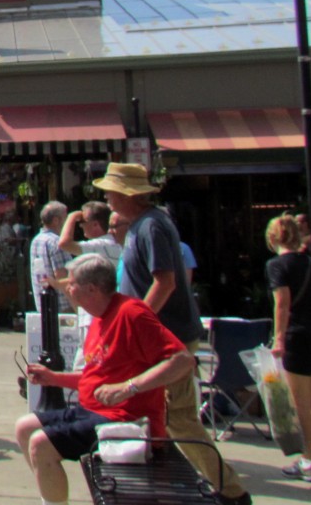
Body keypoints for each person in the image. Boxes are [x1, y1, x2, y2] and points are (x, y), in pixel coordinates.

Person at [93, 162, 250, 505]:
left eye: (110, 190)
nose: (105, 196)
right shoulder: (144, 225)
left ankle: (231, 491)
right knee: (165, 414)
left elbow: (165, 282)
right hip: (163, 336)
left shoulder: (151, 227)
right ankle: (211, 483)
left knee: (179, 419)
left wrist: (139, 322)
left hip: (168, 337)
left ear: (126, 194)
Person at [15, 254, 194, 505]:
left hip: (127, 420)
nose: (67, 286)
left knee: (40, 444)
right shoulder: (98, 317)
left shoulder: (131, 313)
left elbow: (183, 361)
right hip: (94, 411)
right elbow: (96, 378)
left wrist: (129, 387)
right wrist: (54, 378)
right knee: (25, 427)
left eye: (72, 282)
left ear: (91, 289)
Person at [265, 214, 311, 482]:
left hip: (297, 337)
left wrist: (278, 338)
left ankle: (306, 462)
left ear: (273, 238)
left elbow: (281, 303)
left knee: (300, 403)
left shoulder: (276, 266)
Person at [30, 200, 72, 313]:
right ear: (56, 220)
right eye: (66, 218)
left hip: (43, 304)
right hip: (62, 306)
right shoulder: (56, 242)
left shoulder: (36, 240)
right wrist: (75, 304)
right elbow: (62, 275)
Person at [58, 201, 122, 264]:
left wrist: (71, 216)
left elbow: (64, 244)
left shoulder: (100, 245)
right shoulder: (113, 241)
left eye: (82, 221)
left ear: (95, 224)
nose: (80, 225)